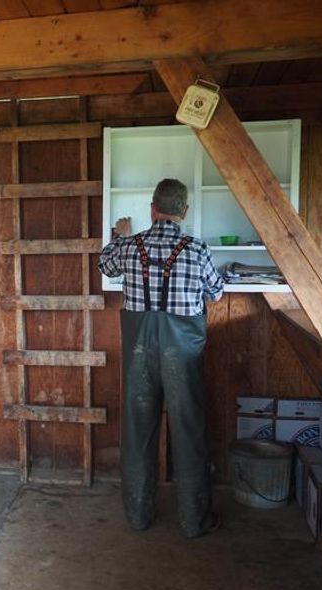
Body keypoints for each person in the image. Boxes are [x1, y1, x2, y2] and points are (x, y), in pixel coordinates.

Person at [98, 178, 225, 538]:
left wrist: (120, 235)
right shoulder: (196, 249)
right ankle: (193, 521)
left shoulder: (130, 245)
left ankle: (138, 516)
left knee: (138, 430)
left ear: (152, 209)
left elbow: (104, 267)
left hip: (140, 350)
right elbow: (216, 293)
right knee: (188, 430)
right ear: (184, 212)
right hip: (181, 354)